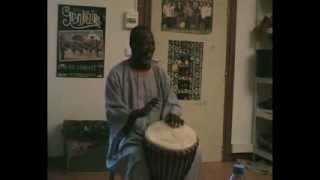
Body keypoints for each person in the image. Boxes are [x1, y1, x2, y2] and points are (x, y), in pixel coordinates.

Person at [105, 26, 202, 180]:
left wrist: (172, 114)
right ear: (132, 45)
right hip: (131, 137)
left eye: (151, 44)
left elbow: (172, 100)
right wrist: (134, 114)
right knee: (139, 161)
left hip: (161, 134)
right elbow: (114, 114)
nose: (149, 49)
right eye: (143, 44)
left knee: (195, 154)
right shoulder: (116, 75)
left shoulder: (160, 73)